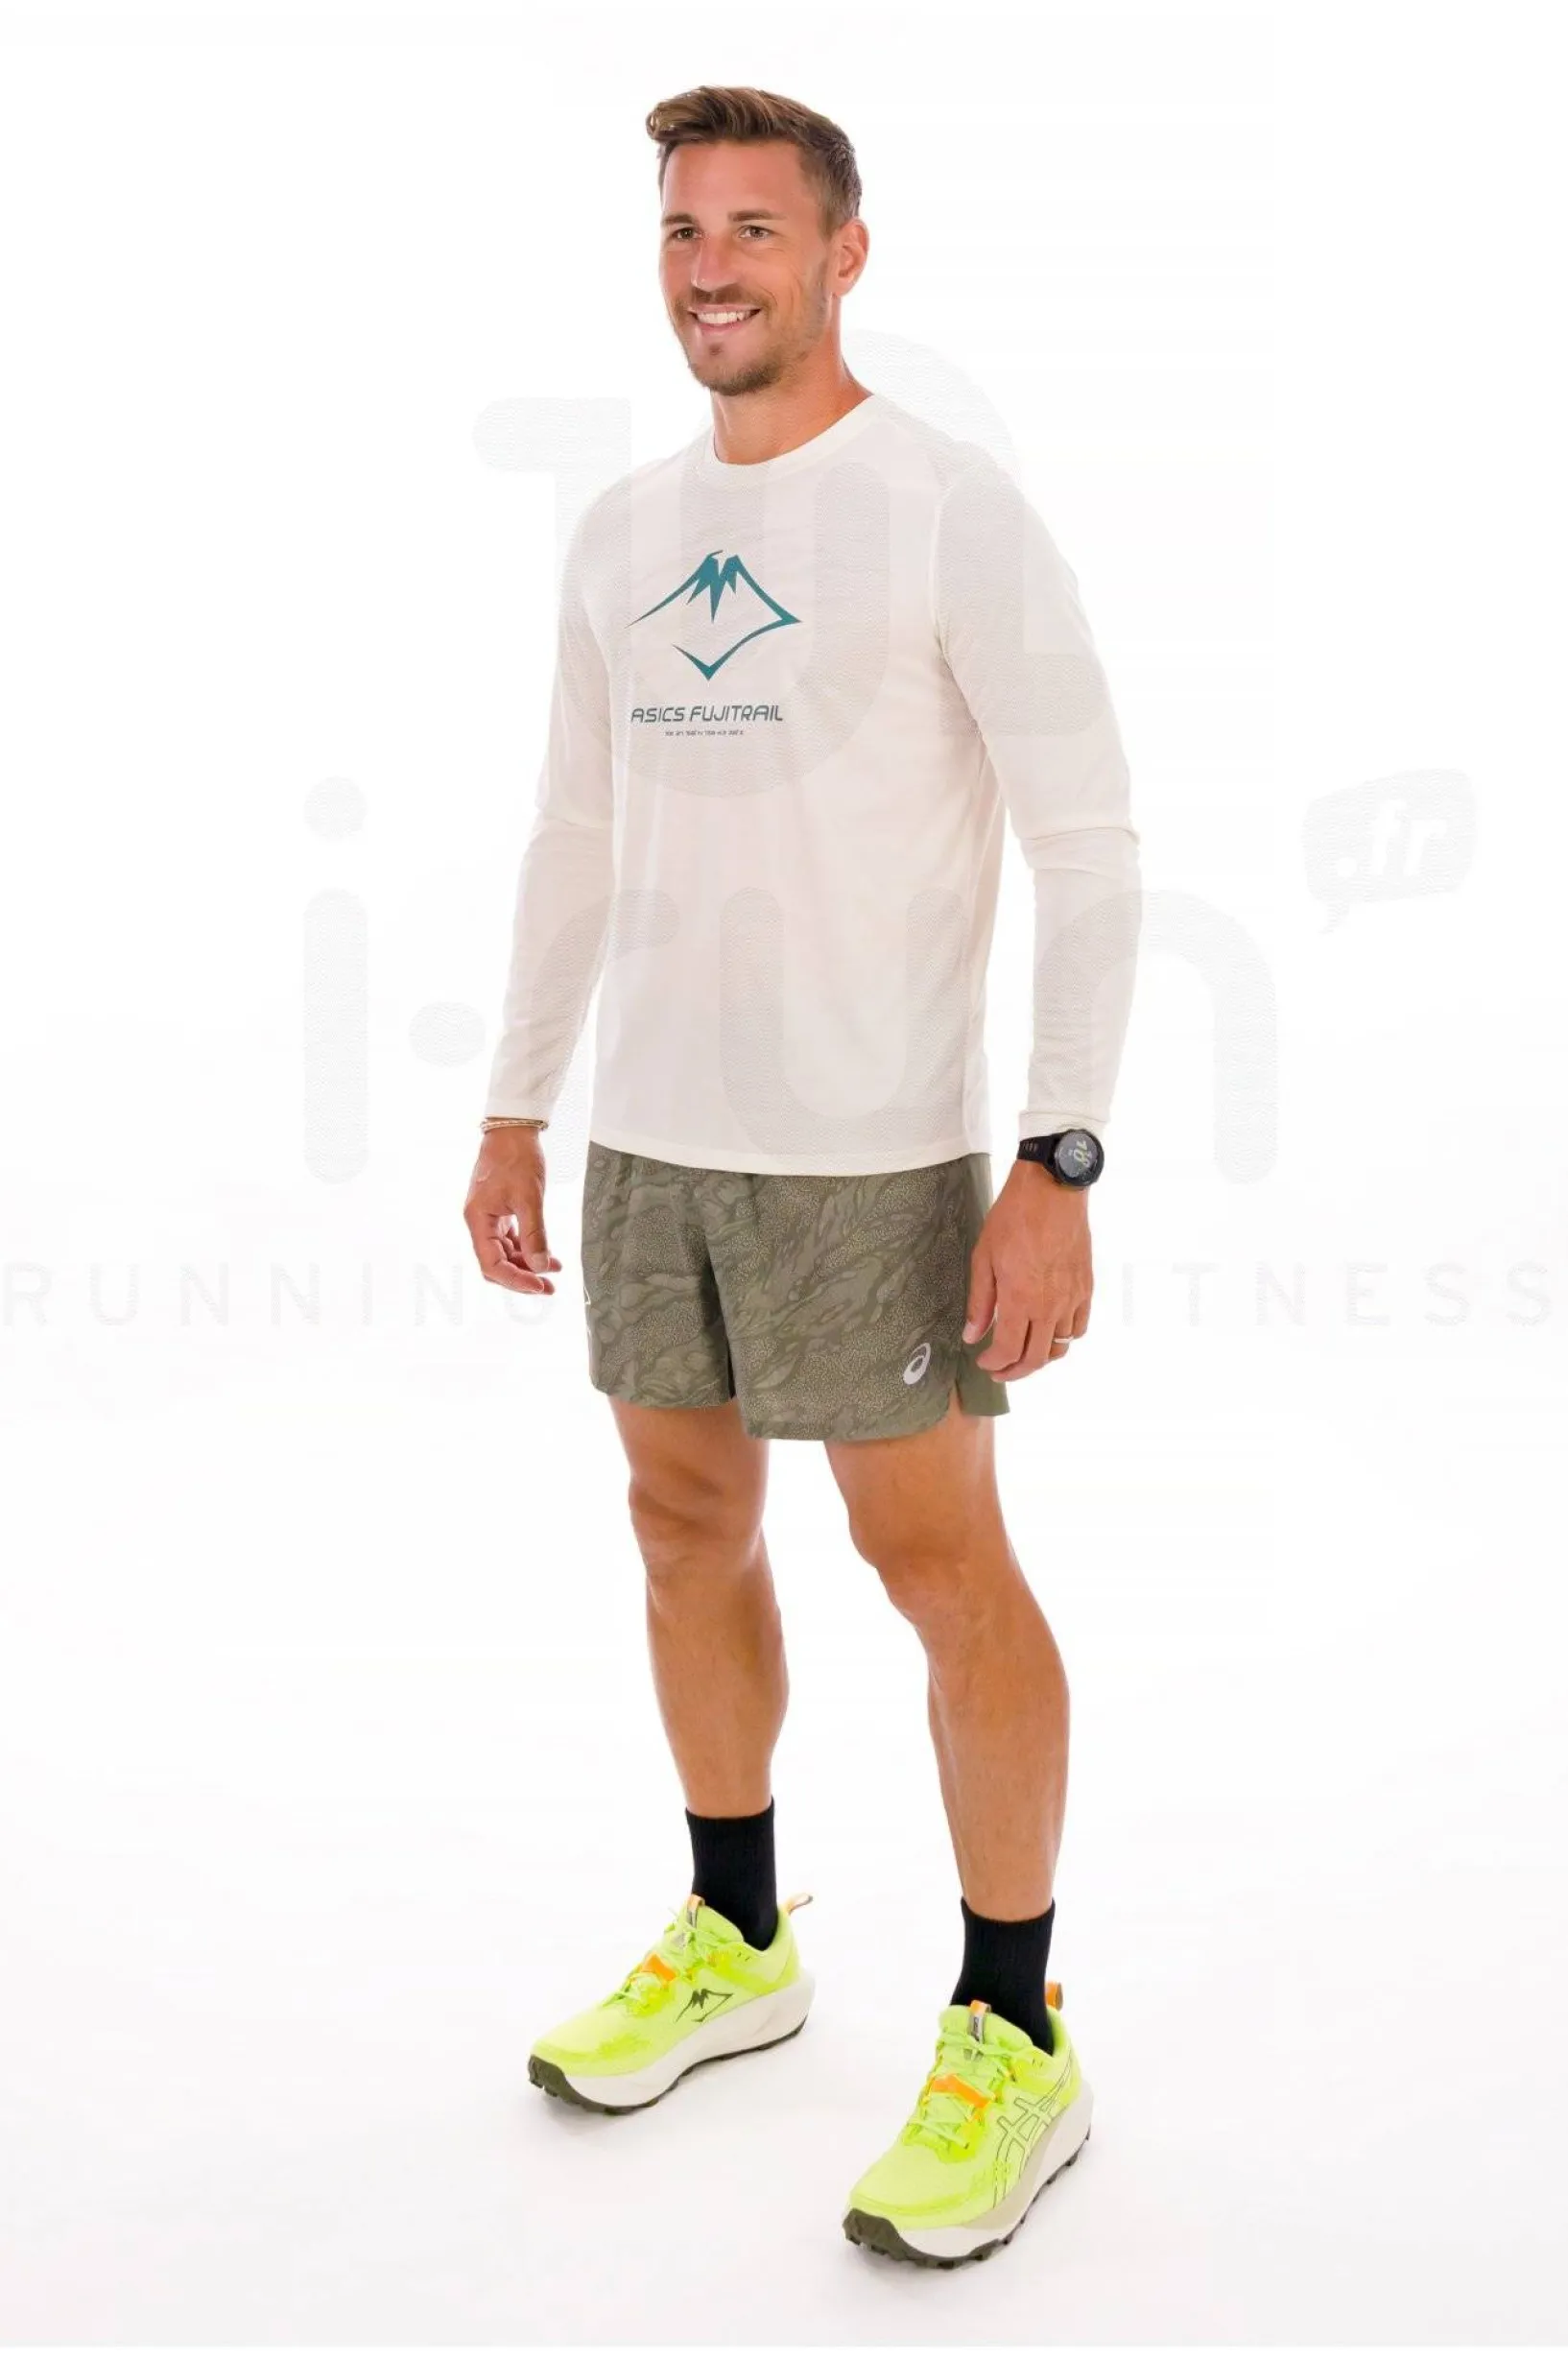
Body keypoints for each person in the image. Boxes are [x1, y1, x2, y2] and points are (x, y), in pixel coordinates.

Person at [463, 83, 1141, 2270]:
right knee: (681, 1522)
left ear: (845, 253)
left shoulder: (946, 509)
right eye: (684, 231)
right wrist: (514, 1101)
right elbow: (574, 830)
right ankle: (738, 1936)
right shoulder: (620, 529)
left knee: (936, 1561)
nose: (712, 269)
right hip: (654, 1134)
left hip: (875, 1151)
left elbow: (1091, 847)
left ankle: (1014, 2027)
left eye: (755, 228)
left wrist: (1054, 1156)